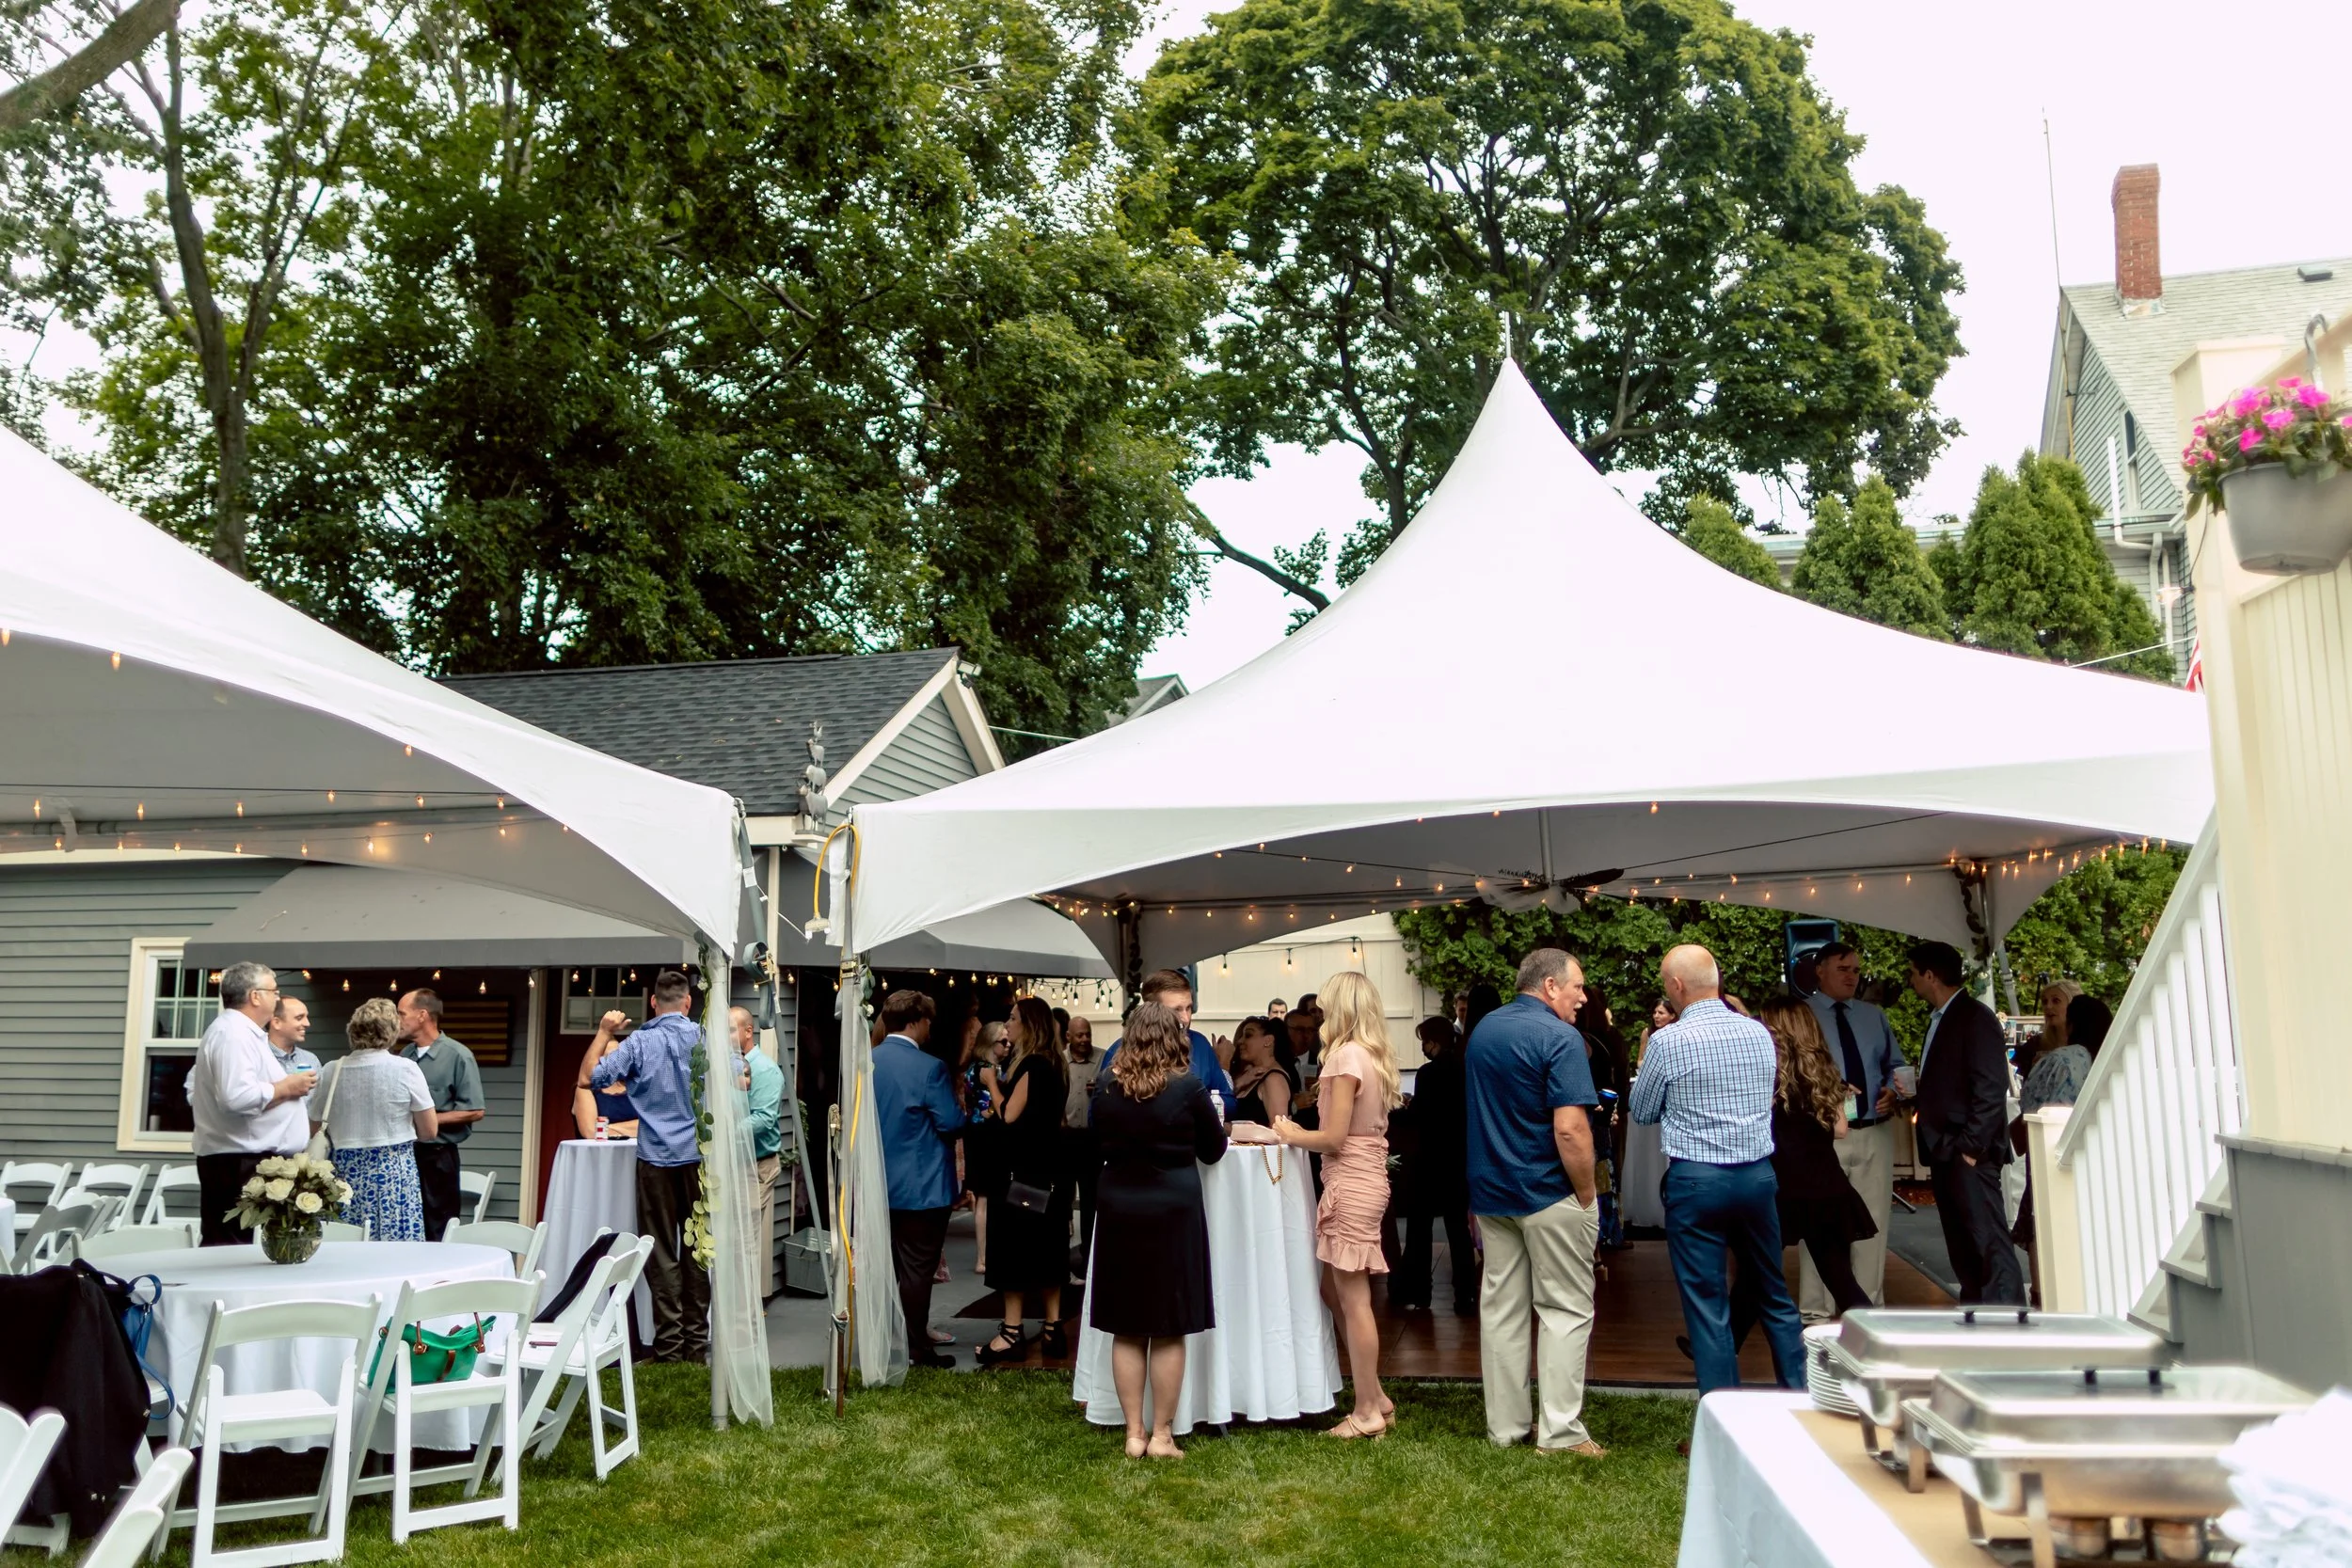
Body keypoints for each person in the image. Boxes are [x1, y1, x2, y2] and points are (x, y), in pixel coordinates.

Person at [1631, 944, 1805, 1394]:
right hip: (1756, 1175)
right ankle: (1803, 1402)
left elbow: (1644, 1111)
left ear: (1676, 986)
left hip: (1697, 1179)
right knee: (1774, 1294)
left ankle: (1723, 1419)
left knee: (1708, 1307)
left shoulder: (1668, 1041)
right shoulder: (1758, 1034)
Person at [1464, 948, 1605, 1455]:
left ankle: (1505, 1429)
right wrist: (1587, 1195)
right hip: (1548, 1191)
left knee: (1501, 1311)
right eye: (1577, 988)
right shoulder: (1560, 1037)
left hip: (1491, 1193)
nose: (1582, 998)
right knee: (1565, 1310)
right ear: (1549, 987)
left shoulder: (1482, 1032)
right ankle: (1562, 1434)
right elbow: (1570, 1129)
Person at [1089, 1000, 1228, 1459]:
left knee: (1126, 1326)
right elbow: (1214, 1151)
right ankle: (1163, 1436)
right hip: (1173, 1209)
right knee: (1169, 1326)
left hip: (1118, 1208)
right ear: (1174, 1038)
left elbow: (1096, 1142)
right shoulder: (1188, 1087)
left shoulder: (1106, 1086)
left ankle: (1133, 1433)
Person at [1273, 971, 1402, 1440]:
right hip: (1362, 1178)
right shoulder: (1368, 1055)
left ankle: (1367, 1409)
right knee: (1335, 1292)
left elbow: (1333, 1137)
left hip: (1352, 1180)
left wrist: (1289, 1132)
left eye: (1325, 1007)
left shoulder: (1344, 1058)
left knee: (1353, 1299)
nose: (1319, 1015)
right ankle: (1375, 1395)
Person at [588, 969, 709, 1361]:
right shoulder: (703, 1038)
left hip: (656, 1157)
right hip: (699, 1161)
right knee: (698, 1249)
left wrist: (605, 1034)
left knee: (660, 1251)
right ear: (688, 1003)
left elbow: (596, 1076)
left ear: (654, 1003)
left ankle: (670, 1346)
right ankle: (697, 1342)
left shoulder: (639, 1042)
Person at [1906, 941, 2024, 1306]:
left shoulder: (1974, 1016)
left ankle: (2006, 1320)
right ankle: (1977, 1311)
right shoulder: (1940, 1019)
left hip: (1966, 1149)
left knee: (1986, 1239)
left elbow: (1990, 1086)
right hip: (1945, 1147)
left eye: (1913, 973)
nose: (1910, 982)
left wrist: (1971, 1148)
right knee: (1962, 1242)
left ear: (1930, 975)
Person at [1744, 1000, 1877, 1324]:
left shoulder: (1770, 1081)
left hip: (1784, 1190)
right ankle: (1878, 1338)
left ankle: (1727, 1339)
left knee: (1755, 1273)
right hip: (1825, 1187)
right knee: (1841, 1280)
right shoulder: (1825, 1074)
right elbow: (1842, 1130)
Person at [1801, 942, 1904, 1316]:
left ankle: (1869, 1309)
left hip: (1874, 1130)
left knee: (1873, 1223)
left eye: (1856, 970)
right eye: (1843, 968)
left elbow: (1897, 1065)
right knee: (1820, 1226)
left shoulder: (1872, 1016)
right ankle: (1816, 1311)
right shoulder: (1803, 1015)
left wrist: (1893, 1090)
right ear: (1820, 970)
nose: (1852, 976)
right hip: (1824, 1133)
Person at [189, 961, 315, 1245]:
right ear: (255, 996)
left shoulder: (244, 1034)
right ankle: (221, 1293)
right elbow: (236, 1098)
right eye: (274, 991)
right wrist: (287, 1087)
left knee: (245, 1249)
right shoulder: (232, 1035)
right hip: (236, 1163)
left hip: (244, 1160)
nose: (277, 997)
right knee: (230, 1251)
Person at [870, 990, 961, 1369]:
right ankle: (917, 1348)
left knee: (886, 1267)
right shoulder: (930, 1068)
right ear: (915, 1021)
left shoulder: (866, 1063)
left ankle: (885, 1341)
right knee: (917, 1272)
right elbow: (950, 1122)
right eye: (928, 1021)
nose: (929, 1028)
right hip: (922, 1187)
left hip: (877, 1183)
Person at [979, 997, 1071, 1365]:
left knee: (1012, 1252)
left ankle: (1011, 1333)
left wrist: (990, 1083)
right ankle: (1053, 1328)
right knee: (1050, 1250)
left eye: (1013, 1019)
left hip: (1022, 1175)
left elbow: (1009, 1114)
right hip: (1053, 1173)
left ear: (1029, 1025)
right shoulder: (1058, 1065)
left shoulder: (1032, 1064)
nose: (1007, 1025)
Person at [314, 997, 437, 1241]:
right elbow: (429, 1131)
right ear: (391, 1032)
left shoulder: (331, 1070)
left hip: (343, 1172)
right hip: (394, 1172)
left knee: (344, 1241)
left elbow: (314, 1127)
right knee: (395, 1242)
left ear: (354, 1031)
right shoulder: (406, 1069)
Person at [1393, 1015, 1474, 1316]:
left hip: (1428, 1159)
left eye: (1424, 1042)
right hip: (1457, 1158)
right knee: (1457, 1228)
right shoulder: (1466, 1069)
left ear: (1434, 1042)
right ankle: (1465, 1294)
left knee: (1420, 1227)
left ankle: (1420, 1292)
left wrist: (1402, 1108)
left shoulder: (1427, 1074)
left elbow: (1421, 1116)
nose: (1423, 1049)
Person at [396, 989, 485, 1240]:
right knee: (408, 1225)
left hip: (438, 1157)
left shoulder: (458, 1055)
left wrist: (428, 1121)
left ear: (422, 1015)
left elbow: (475, 1110)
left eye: (402, 1013)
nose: (397, 1019)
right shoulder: (405, 1056)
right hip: (406, 1155)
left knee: (438, 1228)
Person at [1096, 971, 1235, 1103]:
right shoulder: (1120, 1051)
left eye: (1189, 1008)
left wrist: (1201, 1103)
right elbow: (1096, 1113)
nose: (1186, 1018)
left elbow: (1229, 1102)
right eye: (1176, 1010)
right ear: (1152, 1011)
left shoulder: (1200, 1044)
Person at [737, 1006, 787, 1293]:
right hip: (730, 1166)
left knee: (744, 1242)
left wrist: (723, 1133)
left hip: (756, 1166)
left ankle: (746, 1317)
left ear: (747, 1031)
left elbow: (765, 1119)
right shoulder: (721, 1066)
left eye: (732, 1029)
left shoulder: (764, 1070)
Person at [961, 1019, 1007, 1274]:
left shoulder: (975, 1067)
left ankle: (984, 1256)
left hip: (977, 1136)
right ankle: (983, 1257)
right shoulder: (989, 1070)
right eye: (1003, 1041)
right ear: (990, 1043)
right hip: (988, 1137)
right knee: (986, 1198)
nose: (1008, 1045)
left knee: (983, 1197)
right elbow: (992, 1108)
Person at [1062, 1015, 1102, 1272]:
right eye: (1080, 1035)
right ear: (1068, 1037)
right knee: (1063, 1198)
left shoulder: (1102, 1059)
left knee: (1090, 1201)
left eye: (1087, 1034)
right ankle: (1060, 1260)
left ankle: (1089, 1259)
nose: (1085, 1039)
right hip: (1065, 1139)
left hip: (1091, 1139)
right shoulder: (1059, 1062)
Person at [574, 1013, 644, 1138]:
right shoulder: (586, 1089)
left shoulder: (636, 1087)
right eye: (609, 1058)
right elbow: (590, 1132)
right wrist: (633, 1128)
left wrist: (605, 1128)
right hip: (599, 1155)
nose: (615, 1062)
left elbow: (651, 1126)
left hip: (634, 1155)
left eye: (618, 1056)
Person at [1227, 1018, 1295, 1125]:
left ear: (1268, 1041)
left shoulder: (1274, 1080)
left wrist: (1231, 1129)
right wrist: (1239, 1083)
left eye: (1248, 1035)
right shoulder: (1250, 1075)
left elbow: (1279, 1131)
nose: (1240, 1041)